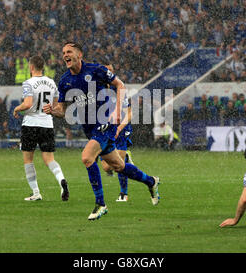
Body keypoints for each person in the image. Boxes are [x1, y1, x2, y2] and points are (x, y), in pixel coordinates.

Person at [43, 42, 160, 220]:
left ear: (79, 54)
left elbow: (120, 85)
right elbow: (62, 110)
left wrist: (116, 110)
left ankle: (101, 204)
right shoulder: (65, 81)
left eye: (69, 51)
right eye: (63, 52)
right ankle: (151, 181)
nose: (65, 55)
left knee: (87, 157)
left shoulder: (95, 70)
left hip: (106, 122)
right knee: (118, 166)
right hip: (90, 129)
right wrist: (53, 111)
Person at [13, 55, 69, 202]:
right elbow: (56, 107)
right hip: (47, 124)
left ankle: (36, 192)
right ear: (43, 67)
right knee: (49, 159)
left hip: (31, 124)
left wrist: (17, 109)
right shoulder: (52, 83)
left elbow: (27, 104)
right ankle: (61, 180)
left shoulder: (28, 83)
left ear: (31, 67)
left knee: (28, 160)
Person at [98, 62, 133, 202]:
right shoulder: (96, 89)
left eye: (111, 71)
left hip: (120, 128)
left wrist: (119, 128)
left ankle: (123, 193)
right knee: (107, 167)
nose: (109, 74)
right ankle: (125, 159)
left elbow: (129, 113)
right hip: (105, 129)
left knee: (119, 166)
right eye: (106, 71)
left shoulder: (119, 88)